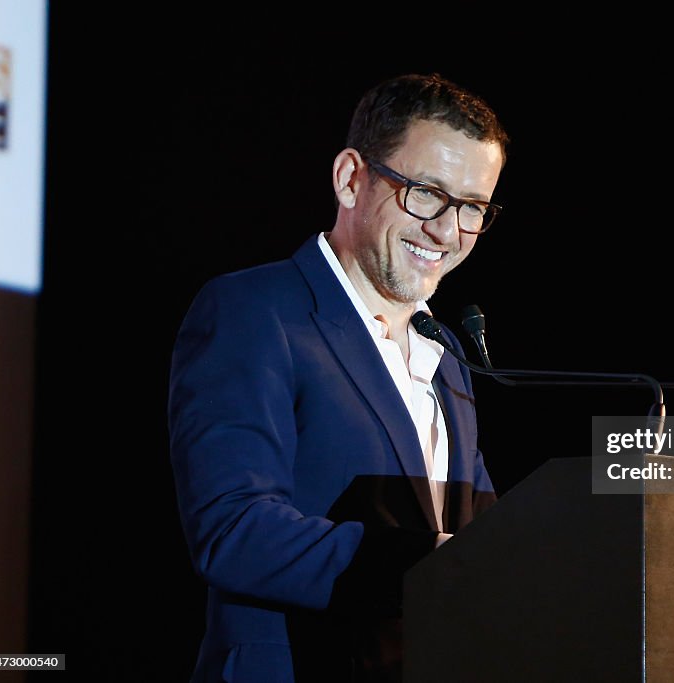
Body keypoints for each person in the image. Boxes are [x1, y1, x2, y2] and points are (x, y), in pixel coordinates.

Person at [168, 72, 509, 682]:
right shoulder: (255, 310)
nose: (447, 231)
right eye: (427, 193)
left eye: (473, 209)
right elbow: (232, 528)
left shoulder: (448, 350)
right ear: (350, 178)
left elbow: (477, 537)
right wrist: (426, 566)